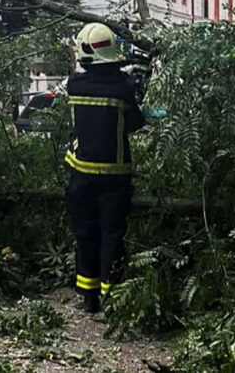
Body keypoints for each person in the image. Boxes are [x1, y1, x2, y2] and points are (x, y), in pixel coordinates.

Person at [65, 22, 146, 313]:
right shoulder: (122, 90)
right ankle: (112, 295)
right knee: (112, 234)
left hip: (81, 172)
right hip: (114, 176)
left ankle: (88, 297)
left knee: (85, 233)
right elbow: (136, 123)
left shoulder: (75, 85)